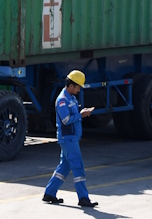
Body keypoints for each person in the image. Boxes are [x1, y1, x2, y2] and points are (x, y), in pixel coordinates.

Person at [43, 70, 98, 207]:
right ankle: (83, 198)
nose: (79, 90)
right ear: (71, 85)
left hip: (71, 138)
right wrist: (82, 115)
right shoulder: (62, 100)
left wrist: (81, 113)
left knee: (64, 167)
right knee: (78, 167)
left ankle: (49, 193)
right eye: (78, 87)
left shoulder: (71, 98)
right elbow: (66, 120)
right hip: (68, 139)